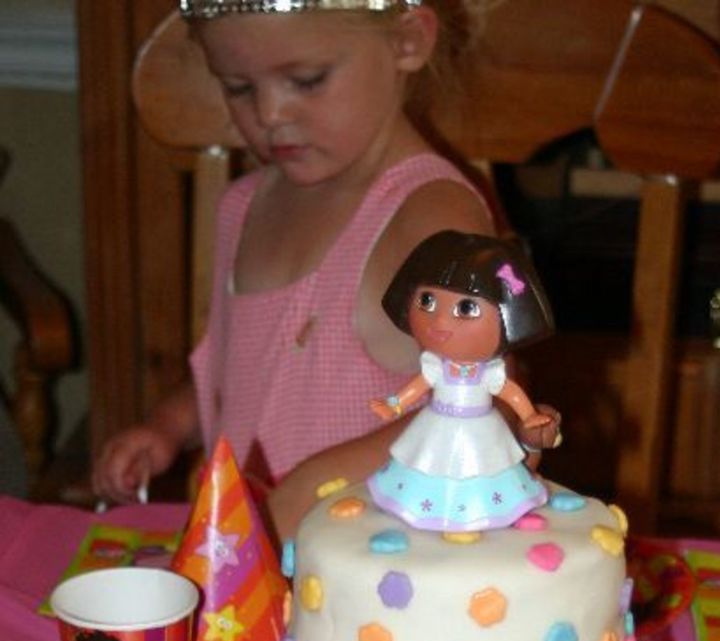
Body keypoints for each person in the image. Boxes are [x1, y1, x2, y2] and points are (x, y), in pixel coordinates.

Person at [91, 0, 495, 540]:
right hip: (244, 562)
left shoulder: (429, 217)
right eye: (238, 87)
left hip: (384, 565)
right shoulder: (242, 207)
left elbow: (490, 407)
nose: (270, 113)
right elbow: (248, 367)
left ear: (407, 41)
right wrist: (168, 426)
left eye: (307, 80)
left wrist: (321, 483)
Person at [368, 229, 561, 530]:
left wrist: (528, 415)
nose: (440, 321)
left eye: (466, 308)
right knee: (430, 467)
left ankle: (475, 513)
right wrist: (395, 404)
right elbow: (419, 385)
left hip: (479, 430)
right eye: (427, 300)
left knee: (481, 472)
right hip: (437, 426)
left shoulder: (489, 373)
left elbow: (509, 391)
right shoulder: (435, 366)